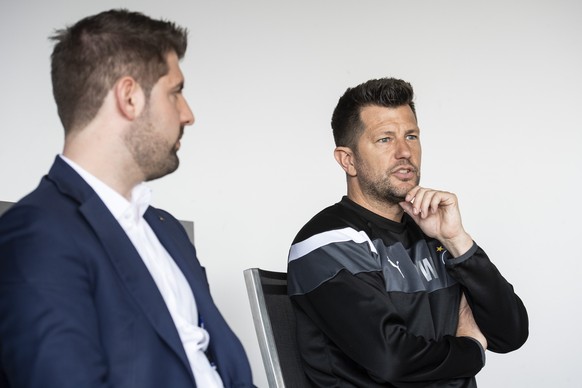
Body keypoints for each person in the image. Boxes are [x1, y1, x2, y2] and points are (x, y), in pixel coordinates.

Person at [0, 9, 254, 388]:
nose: (188, 114)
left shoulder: (167, 231)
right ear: (129, 97)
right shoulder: (36, 236)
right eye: (176, 92)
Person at [287, 78, 528, 387]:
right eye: (385, 139)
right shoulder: (329, 242)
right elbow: (393, 361)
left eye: (411, 136)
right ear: (348, 160)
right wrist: (472, 349)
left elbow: (510, 334)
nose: (404, 152)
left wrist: (457, 241)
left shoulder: (432, 233)